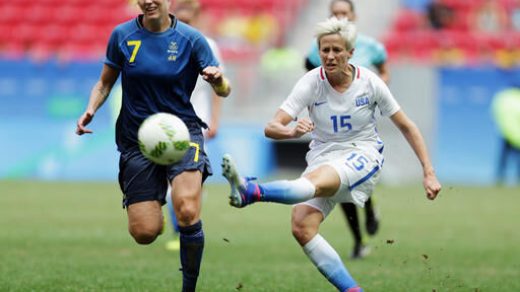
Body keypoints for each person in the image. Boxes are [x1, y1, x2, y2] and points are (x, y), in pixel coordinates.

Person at [222, 17, 441, 291]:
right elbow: (271, 126)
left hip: (363, 154)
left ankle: (252, 192)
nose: (330, 55)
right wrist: (291, 132)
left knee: (314, 183)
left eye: (337, 50)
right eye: (325, 50)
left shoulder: (369, 82)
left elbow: (408, 127)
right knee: (302, 227)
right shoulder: (311, 82)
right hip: (323, 155)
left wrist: (428, 172)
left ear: (350, 53)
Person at [75, 0, 231, 291]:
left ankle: (189, 287)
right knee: (144, 232)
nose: (148, 1)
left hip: (182, 133)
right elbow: (104, 83)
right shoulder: (122, 36)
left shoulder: (191, 39)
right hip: (137, 139)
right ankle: (152, 201)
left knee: (186, 208)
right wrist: (91, 108)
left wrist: (219, 80)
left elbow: (224, 88)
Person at [304, 0, 389, 259]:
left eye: (345, 13)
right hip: (332, 129)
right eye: (336, 13)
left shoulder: (370, 46)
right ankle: (358, 239)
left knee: (359, 173)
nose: (341, 16)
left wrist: (375, 93)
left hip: (360, 126)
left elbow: (384, 71)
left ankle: (370, 206)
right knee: (340, 189)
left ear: (354, 16)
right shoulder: (316, 48)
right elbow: (311, 80)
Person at [163, 0, 226, 252]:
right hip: (166, 123)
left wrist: (215, 120)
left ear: (196, 18)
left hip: (196, 121)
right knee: (172, 184)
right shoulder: (164, 43)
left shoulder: (208, 46)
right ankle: (180, 232)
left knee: (192, 181)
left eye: (190, 20)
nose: (185, 24)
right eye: (181, 18)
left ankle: (190, 229)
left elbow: (217, 86)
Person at [491, 84, 520, 184]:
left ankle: (499, 178)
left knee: (503, 159)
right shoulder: (517, 99)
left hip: (506, 134)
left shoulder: (503, 98)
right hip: (517, 136)